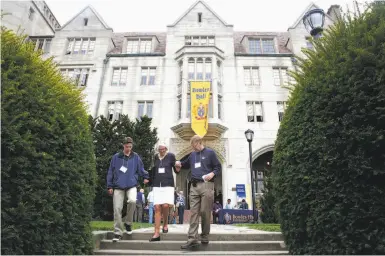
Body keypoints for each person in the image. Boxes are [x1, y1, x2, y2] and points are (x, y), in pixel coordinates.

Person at [175, 135, 221, 250]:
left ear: (199, 142)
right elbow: (185, 164)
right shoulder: (192, 155)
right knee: (193, 213)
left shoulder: (210, 153)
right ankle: (192, 239)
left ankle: (205, 236)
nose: (193, 148)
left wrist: (212, 174)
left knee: (205, 212)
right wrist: (178, 164)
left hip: (207, 185)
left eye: (194, 145)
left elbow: (218, 167)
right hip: (194, 186)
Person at [106, 137, 149, 242]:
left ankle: (128, 223)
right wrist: (109, 186)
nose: (128, 148)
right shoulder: (116, 157)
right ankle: (117, 233)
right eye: (126, 146)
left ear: (132, 146)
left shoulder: (135, 157)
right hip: (118, 186)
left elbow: (141, 169)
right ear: (123, 146)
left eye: (130, 146)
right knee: (117, 209)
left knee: (133, 201)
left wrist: (146, 177)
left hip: (131, 185)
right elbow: (110, 171)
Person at [149, 143, 179, 242]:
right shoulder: (155, 157)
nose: (161, 151)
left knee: (166, 206)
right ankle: (156, 233)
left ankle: (165, 224)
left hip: (168, 184)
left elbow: (176, 170)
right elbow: (153, 170)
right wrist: (149, 180)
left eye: (163, 149)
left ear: (166, 149)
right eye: (159, 149)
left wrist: (178, 168)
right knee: (157, 207)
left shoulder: (171, 156)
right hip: (157, 184)